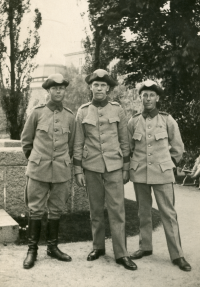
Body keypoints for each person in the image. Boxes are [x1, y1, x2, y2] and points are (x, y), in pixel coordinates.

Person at [73, 69, 137, 271]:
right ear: (91, 87)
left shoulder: (117, 110)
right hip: (91, 167)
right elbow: (77, 143)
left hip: (115, 167)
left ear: (107, 88)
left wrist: (126, 168)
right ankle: (98, 247)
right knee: (96, 210)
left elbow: (124, 142)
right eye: (96, 85)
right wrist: (78, 171)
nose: (99, 88)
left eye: (103, 85)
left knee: (118, 211)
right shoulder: (82, 112)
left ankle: (121, 253)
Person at [127, 80, 191, 271]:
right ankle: (145, 247)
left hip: (162, 174)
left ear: (158, 98)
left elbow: (178, 148)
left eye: (151, 95)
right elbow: (129, 148)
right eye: (144, 95)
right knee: (143, 213)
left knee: (168, 214)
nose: (147, 98)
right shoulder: (133, 121)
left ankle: (177, 255)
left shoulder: (167, 120)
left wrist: (167, 165)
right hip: (140, 175)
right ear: (140, 97)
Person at [21, 73, 75, 269]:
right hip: (38, 169)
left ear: (64, 91)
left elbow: (71, 145)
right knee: (35, 209)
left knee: (56, 208)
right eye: (54, 88)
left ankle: (52, 247)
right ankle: (32, 250)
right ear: (48, 91)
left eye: (61, 88)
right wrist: (37, 160)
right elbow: (26, 142)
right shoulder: (37, 113)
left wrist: (60, 161)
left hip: (60, 169)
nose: (58, 91)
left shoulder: (70, 116)